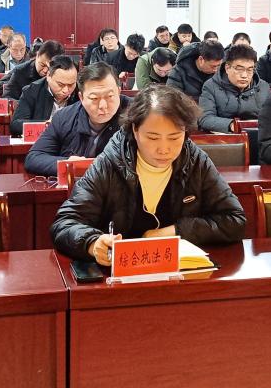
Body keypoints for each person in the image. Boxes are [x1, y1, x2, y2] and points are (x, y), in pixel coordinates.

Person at [50, 84, 246, 263]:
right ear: (135, 130)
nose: (164, 149)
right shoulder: (110, 162)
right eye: (153, 137)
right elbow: (65, 223)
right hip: (120, 274)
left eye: (174, 137)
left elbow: (234, 220)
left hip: (179, 275)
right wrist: (93, 243)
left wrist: (175, 231)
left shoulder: (195, 161)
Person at [24, 62, 131, 176]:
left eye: (110, 96)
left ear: (119, 91)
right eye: (94, 98)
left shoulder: (136, 114)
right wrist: (68, 163)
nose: (103, 105)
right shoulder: (64, 117)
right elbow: (34, 158)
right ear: (81, 97)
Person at [198, 44, 269, 132]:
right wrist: (232, 125)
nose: (244, 75)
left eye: (250, 70)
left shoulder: (263, 87)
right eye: (239, 69)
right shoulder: (211, 86)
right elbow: (205, 118)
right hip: (225, 136)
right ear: (227, 68)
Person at [10, 55, 79, 136]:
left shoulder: (82, 92)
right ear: (48, 76)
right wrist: (46, 125)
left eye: (71, 85)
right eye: (61, 84)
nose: (66, 90)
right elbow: (16, 125)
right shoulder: (31, 91)